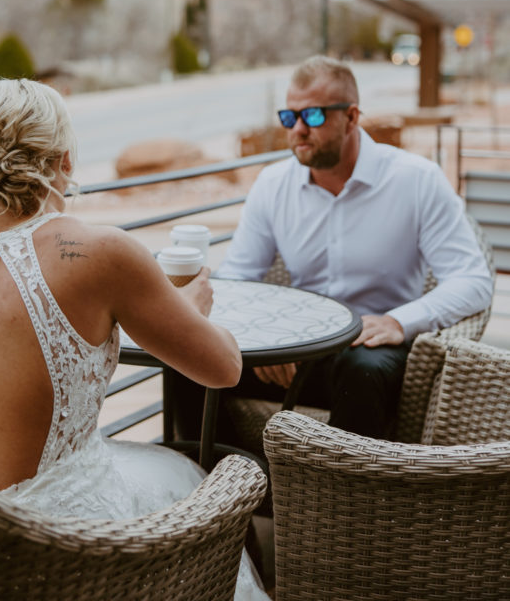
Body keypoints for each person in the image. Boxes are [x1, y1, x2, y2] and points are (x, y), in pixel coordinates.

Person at [0, 79, 266, 601]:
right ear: (67, 159)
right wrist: (195, 309)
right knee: (184, 474)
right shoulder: (100, 253)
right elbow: (223, 369)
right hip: (65, 546)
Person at [177, 55, 493, 441]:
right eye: (289, 117)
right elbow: (240, 277)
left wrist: (399, 321)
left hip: (373, 347)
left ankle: (342, 496)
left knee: (361, 369)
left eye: (312, 116)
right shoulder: (273, 184)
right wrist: (266, 339)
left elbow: (473, 280)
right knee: (187, 360)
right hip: (296, 347)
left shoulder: (416, 180)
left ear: (352, 117)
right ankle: (220, 482)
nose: (298, 130)